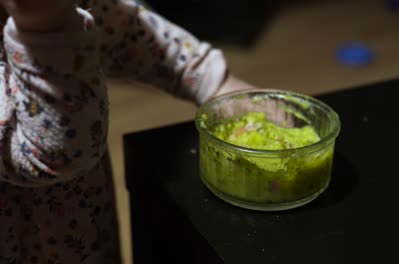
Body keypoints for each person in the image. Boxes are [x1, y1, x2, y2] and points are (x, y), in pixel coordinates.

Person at [0, 0, 255, 263]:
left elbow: (124, 26)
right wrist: (44, 21)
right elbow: (54, 153)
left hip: (82, 232)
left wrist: (212, 80)